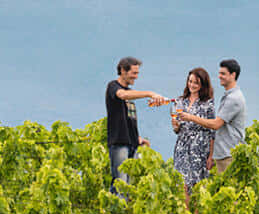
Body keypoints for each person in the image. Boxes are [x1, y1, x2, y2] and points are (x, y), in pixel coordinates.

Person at [105, 56, 170, 185]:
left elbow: (128, 119)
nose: (136, 77)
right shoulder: (113, 86)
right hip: (119, 144)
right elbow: (122, 95)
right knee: (120, 184)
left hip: (132, 144)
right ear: (123, 71)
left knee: (130, 185)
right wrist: (149, 93)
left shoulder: (130, 93)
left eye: (137, 73)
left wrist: (138, 139)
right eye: (134, 73)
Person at [175, 58, 246, 174]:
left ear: (233, 75)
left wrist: (190, 117)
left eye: (223, 74)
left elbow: (215, 124)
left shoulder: (234, 98)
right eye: (219, 73)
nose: (219, 76)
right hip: (224, 152)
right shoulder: (229, 96)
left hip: (229, 153)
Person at [169, 67, 217, 192]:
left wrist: (211, 156)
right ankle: (185, 212)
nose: (192, 85)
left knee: (197, 186)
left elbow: (212, 130)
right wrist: (175, 125)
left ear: (202, 85)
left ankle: (195, 212)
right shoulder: (180, 101)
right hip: (182, 147)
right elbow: (177, 129)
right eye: (190, 81)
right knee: (181, 184)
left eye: (196, 82)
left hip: (200, 148)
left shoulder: (208, 104)